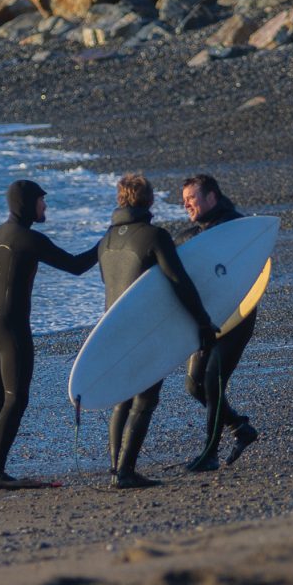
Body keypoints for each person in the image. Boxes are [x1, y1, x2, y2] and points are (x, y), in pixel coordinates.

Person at [0, 179, 99, 490]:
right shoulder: (28, 240)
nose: (45, 206)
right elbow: (76, 266)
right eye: (41, 200)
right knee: (16, 398)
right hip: (12, 328)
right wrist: (104, 245)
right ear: (27, 204)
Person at [98, 173, 218, 489]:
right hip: (145, 328)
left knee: (123, 397)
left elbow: (108, 283)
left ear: (121, 200)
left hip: (112, 327)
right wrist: (202, 321)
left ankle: (116, 468)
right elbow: (179, 281)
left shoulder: (107, 239)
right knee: (146, 398)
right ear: (149, 201)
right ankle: (125, 472)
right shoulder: (155, 236)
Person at [179, 174, 260, 472]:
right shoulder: (196, 233)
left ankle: (209, 453)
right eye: (184, 199)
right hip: (207, 319)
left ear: (212, 197)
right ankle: (240, 427)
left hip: (236, 317)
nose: (186, 204)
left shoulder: (236, 229)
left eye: (192, 198)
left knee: (212, 380)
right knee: (194, 385)